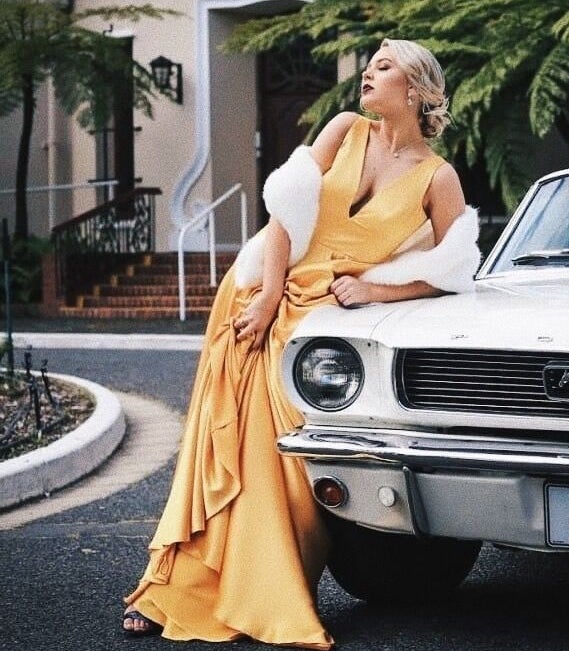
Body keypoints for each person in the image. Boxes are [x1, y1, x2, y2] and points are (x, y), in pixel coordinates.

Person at [121, 39, 481, 647]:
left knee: (289, 470)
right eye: (368, 66)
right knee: (222, 448)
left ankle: (264, 592)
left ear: (415, 88)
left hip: (326, 325)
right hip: (259, 299)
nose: (368, 74)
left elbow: (453, 272)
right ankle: (173, 590)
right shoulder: (344, 129)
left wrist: (375, 292)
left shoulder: (437, 177)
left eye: (384, 67)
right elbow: (287, 210)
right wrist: (265, 295)